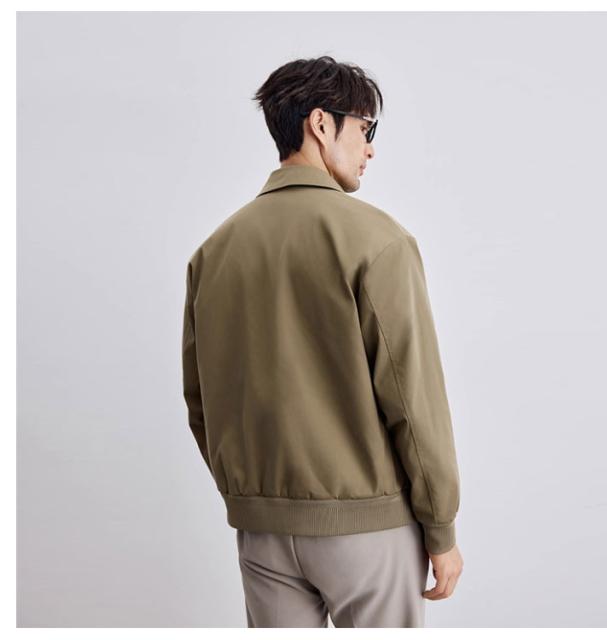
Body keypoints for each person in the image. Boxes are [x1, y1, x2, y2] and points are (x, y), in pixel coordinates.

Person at [181, 55, 463, 628]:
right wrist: (441, 527)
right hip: (368, 529)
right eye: (365, 128)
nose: (370, 149)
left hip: (261, 534)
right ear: (320, 124)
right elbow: (413, 401)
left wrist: (255, 498)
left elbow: (200, 400)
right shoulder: (378, 240)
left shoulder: (214, 252)